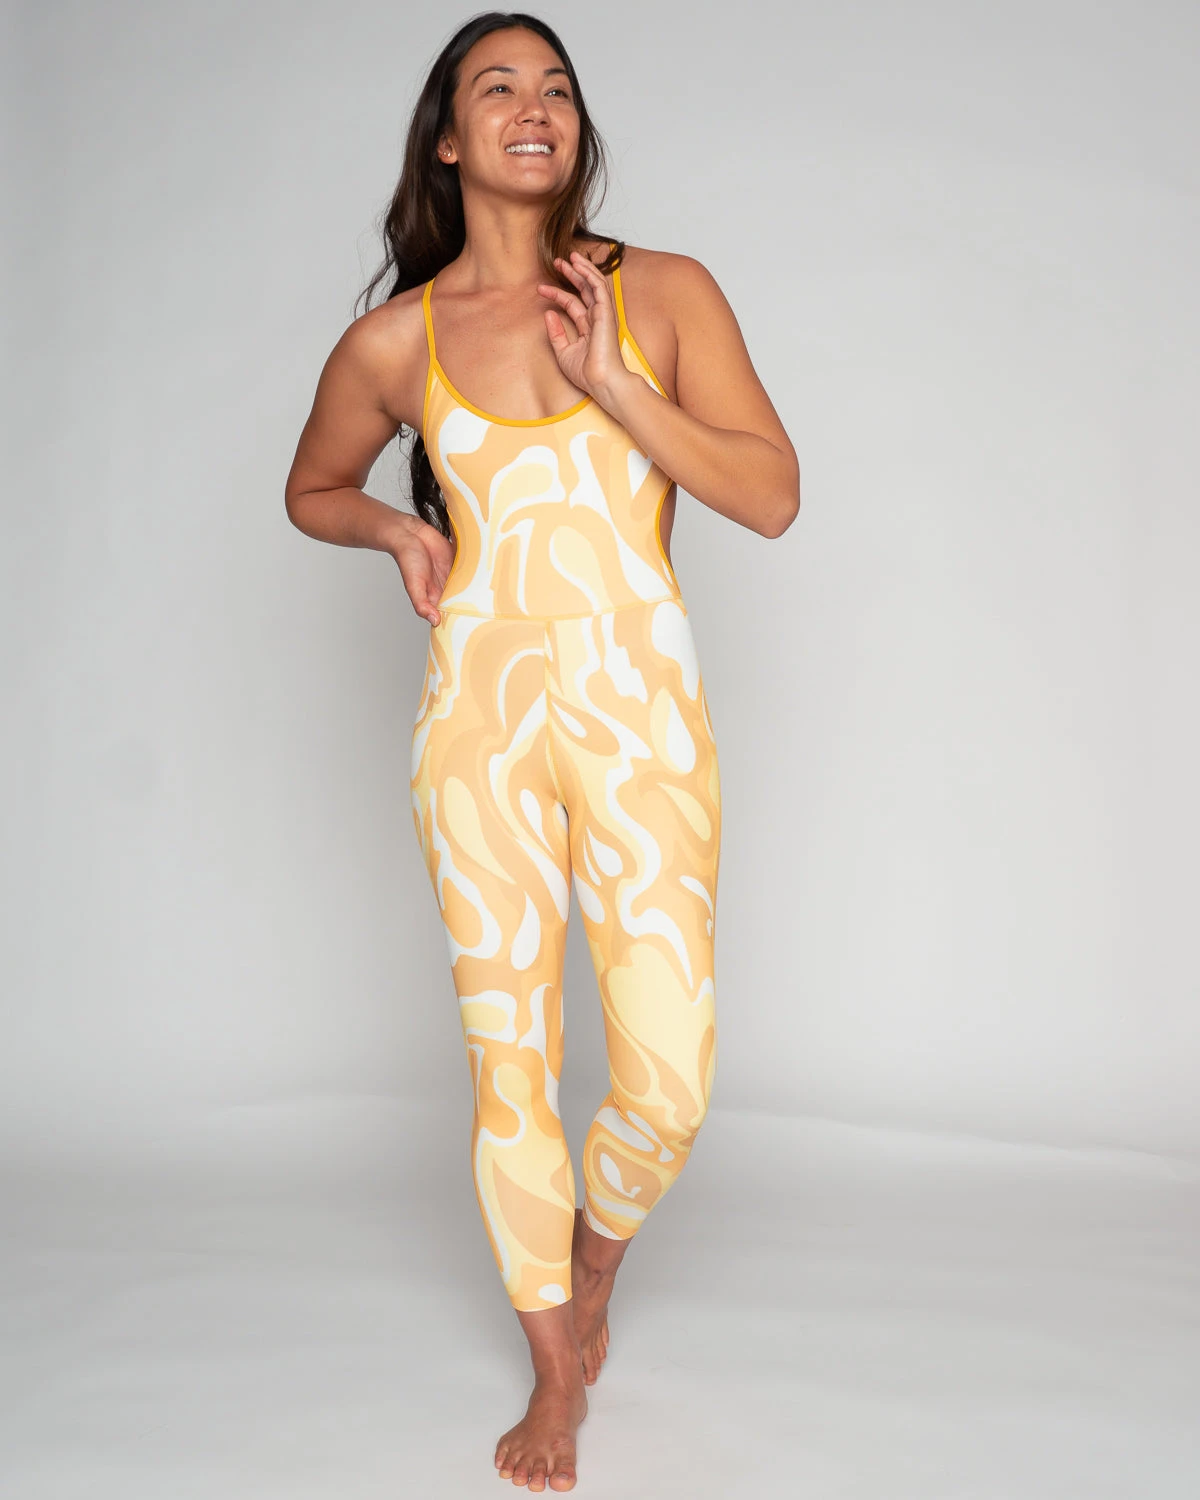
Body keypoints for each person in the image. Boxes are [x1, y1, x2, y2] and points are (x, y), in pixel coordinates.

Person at [285, 10, 799, 1491]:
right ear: (448, 140)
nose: (534, 107)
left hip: (641, 715)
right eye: (497, 87)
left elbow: (770, 496)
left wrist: (618, 385)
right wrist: (397, 530)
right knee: (512, 1060)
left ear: (577, 130)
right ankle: (555, 1371)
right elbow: (313, 486)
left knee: (669, 1078)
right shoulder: (396, 340)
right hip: (480, 728)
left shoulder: (661, 292)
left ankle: (595, 1261)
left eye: (557, 87)